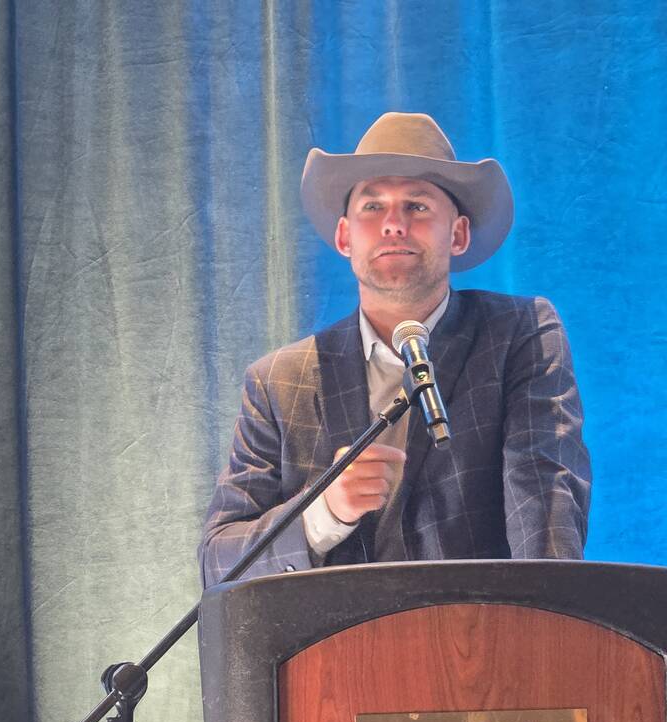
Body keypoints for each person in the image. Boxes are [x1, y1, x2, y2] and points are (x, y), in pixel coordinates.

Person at [198, 112, 591, 588]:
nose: (393, 225)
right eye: (372, 207)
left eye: (417, 206)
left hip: (481, 646)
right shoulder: (277, 381)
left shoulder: (518, 333)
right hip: (332, 656)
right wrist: (325, 511)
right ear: (345, 236)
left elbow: (544, 502)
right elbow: (218, 562)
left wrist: (547, 634)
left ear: (459, 233)